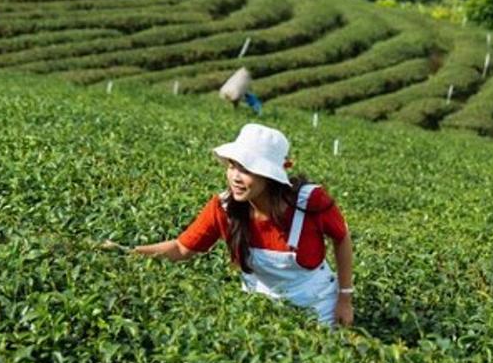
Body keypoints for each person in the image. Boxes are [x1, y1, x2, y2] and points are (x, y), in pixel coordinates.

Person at [126, 123, 355, 327]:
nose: (235, 176)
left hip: (316, 307)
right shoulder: (224, 208)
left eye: (245, 169)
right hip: (262, 310)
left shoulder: (309, 202)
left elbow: (341, 237)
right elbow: (181, 248)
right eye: (232, 166)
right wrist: (128, 253)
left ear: (269, 176)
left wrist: (345, 298)